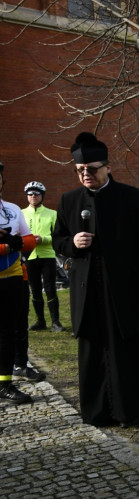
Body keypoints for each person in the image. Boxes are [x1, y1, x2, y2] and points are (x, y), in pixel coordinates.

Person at [52, 133, 139, 426]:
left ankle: (131, 409)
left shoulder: (133, 198)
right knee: (92, 350)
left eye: (91, 169)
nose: (85, 175)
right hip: (87, 290)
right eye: (80, 170)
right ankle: (97, 411)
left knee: (128, 349)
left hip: (125, 289)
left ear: (107, 167)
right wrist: (72, 243)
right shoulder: (68, 200)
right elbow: (58, 240)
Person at [1, 161, 39, 405]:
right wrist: (7, 245)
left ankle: (5, 384)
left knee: (8, 332)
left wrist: (15, 244)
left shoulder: (13, 209)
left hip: (13, 277)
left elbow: (30, 240)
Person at [23, 181, 64, 334]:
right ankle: (40, 321)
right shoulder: (21, 213)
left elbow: (58, 236)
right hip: (30, 256)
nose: (33, 196)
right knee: (34, 289)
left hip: (47, 255)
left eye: (37, 193)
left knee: (50, 288)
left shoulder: (52, 214)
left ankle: (55, 322)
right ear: (27, 196)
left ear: (42, 196)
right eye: (30, 194)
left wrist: (44, 239)